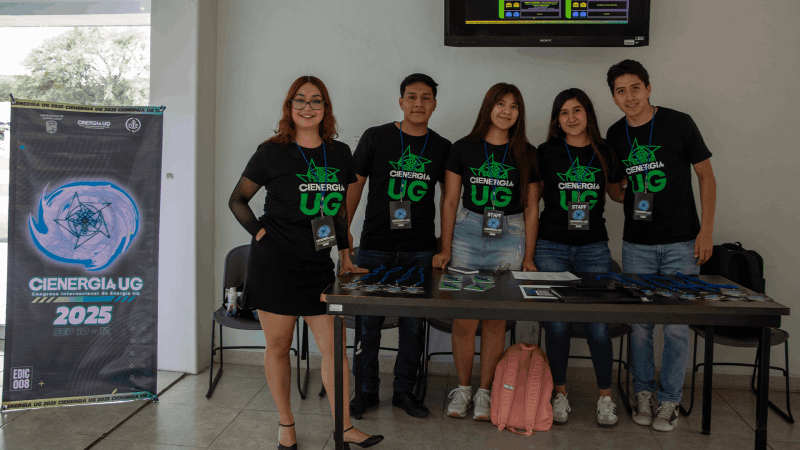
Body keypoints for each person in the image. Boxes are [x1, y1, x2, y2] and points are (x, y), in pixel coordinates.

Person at [228, 76, 384, 450]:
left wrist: (345, 256)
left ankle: (344, 428)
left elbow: (340, 213)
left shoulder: (340, 152)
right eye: (300, 100)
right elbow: (237, 200)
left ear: (325, 108)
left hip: (318, 266)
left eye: (316, 101)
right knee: (279, 348)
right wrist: (262, 236)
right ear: (290, 106)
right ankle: (286, 424)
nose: (307, 107)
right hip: (274, 266)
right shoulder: (271, 152)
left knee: (334, 350)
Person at [605, 60, 717, 432]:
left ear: (648, 88)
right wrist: (621, 189)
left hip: (683, 242)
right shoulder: (615, 134)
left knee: (676, 327)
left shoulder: (679, 122)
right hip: (637, 244)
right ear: (614, 97)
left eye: (635, 88)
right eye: (621, 91)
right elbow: (616, 190)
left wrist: (706, 231)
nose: (629, 97)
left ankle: (669, 400)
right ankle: (643, 393)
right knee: (640, 327)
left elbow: (706, 176)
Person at [346, 73, 451, 418]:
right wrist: (343, 232)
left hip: (419, 249)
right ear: (401, 101)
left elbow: (449, 199)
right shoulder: (376, 137)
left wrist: (444, 245)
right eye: (412, 96)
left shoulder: (441, 147)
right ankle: (366, 390)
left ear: (434, 104)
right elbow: (354, 185)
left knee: (412, 325)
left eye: (426, 97)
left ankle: (404, 391)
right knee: (368, 324)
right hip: (374, 246)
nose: (418, 103)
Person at [433, 83, 538, 421]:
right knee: (464, 319)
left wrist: (529, 257)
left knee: (495, 319)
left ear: (519, 113)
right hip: (466, 234)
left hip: (510, 235)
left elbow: (532, 208)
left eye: (514, 106)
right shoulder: (463, 148)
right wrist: (445, 246)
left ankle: (485, 392)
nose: (506, 111)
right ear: (488, 107)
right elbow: (450, 200)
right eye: (500, 104)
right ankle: (463, 389)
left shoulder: (527, 152)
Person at [530, 88, 624, 427]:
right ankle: (560, 394)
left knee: (598, 327)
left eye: (577, 110)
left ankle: (605, 398)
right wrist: (527, 252)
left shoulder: (605, 151)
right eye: (564, 112)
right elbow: (532, 202)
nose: (571, 118)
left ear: (588, 114)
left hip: (594, 248)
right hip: (551, 247)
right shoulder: (545, 152)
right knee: (557, 326)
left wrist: (647, 185)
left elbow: (617, 193)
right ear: (557, 119)